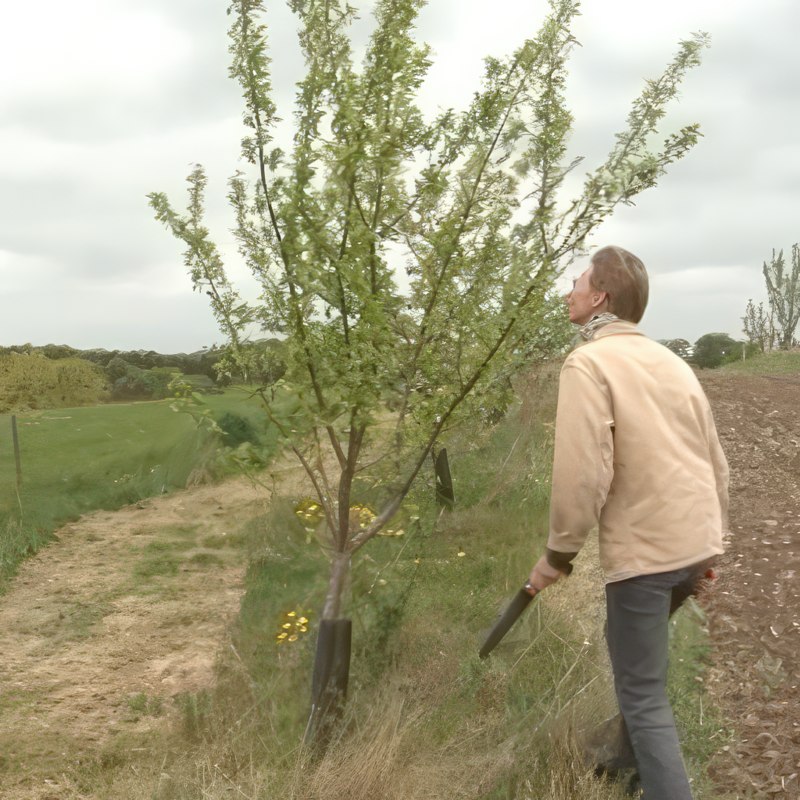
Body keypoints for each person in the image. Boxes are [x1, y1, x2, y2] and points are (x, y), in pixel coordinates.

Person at [526, 246, 729, 800]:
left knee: (643, 694)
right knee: (636, 658)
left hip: (649, 554)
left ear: (599, 297)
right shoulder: (673, 363)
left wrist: (557, 556)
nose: (568, 292)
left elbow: (581, 475)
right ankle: (619, 762)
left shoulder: (588, 363)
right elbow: (716, 463)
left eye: (576, 283)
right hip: (695, 545)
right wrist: (708, 550)